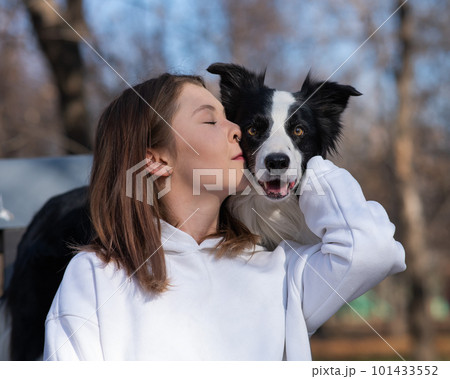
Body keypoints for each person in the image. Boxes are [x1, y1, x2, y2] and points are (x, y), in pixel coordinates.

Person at [43, 73, 406, 360]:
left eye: (229, 118)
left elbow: (372, 249)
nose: (235, 128)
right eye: (210, 120)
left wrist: (306, 163)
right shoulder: (96, 276)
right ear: (156, 159)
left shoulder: (282, 273)